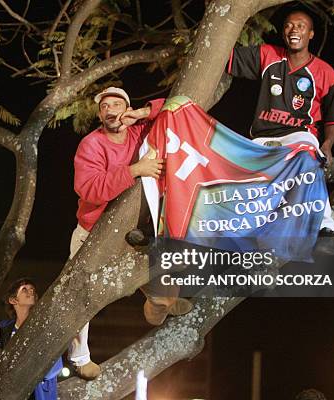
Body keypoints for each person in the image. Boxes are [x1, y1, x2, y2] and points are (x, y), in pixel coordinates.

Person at [69, 87, 194, 380]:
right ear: (99, 115)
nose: (111, 110)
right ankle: (80, 357)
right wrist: (135, 169)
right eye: (105, 107)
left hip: (135, 232)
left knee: (162, 288)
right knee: (80, 294)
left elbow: (173, 108)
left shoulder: (140, 130)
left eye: (117, 104)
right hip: (92, 233)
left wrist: (141, 112)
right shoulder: (91, 144)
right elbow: (89, 189)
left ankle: (159, 304)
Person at [226, 8, 334, 254]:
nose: (294, 30)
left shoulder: (325, 72)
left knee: (309, 158)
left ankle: (325, 228)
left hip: (299, 134)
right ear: (283, 32)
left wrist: (328, 145)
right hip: (263, 137)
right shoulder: (268, 55)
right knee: (243, 177)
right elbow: (225, 56)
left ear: (310, 34)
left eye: (301, 26)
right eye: (289, 25)